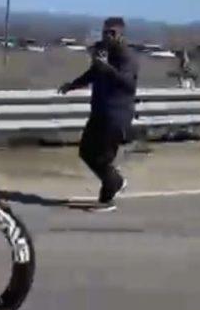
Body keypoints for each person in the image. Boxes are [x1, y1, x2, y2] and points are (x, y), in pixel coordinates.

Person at [58, 17, 139, 211]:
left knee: (102, 158)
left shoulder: (127, 56)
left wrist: (107, 68)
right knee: (86, 151)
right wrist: (72, 85)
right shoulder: (104, 52)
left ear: (120, 34)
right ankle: (115, 182)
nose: (107, 36)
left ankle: (108, 196)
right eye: (105, 32)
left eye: (112, 33)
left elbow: (128, 84)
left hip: (116, 115)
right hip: (99, 112)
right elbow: (93, 74)